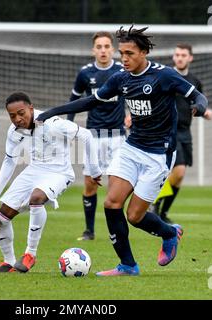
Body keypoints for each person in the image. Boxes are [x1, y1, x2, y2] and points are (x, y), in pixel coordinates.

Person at [36, 26, 209, 276]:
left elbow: (197, 96)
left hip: (159, 154)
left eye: (129, 53)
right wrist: (54, 111)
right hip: (131, 147)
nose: (124, 58)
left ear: (144, 52)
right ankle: (128, 265)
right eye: (122, 53)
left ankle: (170, 233)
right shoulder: (121, 78)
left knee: (135, 216)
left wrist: (200, 106)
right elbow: (93, 100)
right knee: (111, 203)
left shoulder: (164, 75)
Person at [0, 92, 101, 273]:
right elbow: (9, 161)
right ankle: (9, 262)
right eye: (12, 115)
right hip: (33, 171)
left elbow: (86, 135)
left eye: (21, 113)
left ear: (31, 108)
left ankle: (30, 254)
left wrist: (94, 170)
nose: (18, 119)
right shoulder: (14, 132)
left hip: (59, 172)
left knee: (36, 198)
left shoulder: (53, 123)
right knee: (2, 217)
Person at [67, 31, 128, 241]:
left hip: (118, 136)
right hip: (93, 135)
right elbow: (73, 100)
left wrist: (132, 117)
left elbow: (135, 95)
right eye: (99, 47)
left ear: (112, 49)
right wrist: (68, 126)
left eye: (106, 46)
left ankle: (116, 230)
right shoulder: (85, 73)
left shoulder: (122, 70)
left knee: (115, 188)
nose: (103, 50)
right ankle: (89, 231)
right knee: (90, 183)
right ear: (94, 50)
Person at [151, 43, 212, 223]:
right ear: (173, 57)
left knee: (179, 178)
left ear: (190, 58)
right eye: (177, 55)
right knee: (178, 172)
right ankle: (154, 204)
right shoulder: (166, 77)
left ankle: (162, 212)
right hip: (168, 131)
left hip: (186, 131)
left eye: (183, 55)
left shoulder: (195, 81)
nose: (179, 58)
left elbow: (198, 104)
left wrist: (204, 112)